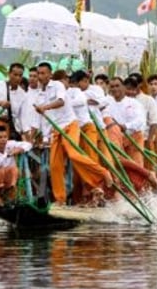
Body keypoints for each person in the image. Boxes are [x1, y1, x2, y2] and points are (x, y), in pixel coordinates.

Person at [35, 62, 112, 205]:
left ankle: (102, 173)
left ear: (50, 75)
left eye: (43, 73)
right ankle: (60, 200)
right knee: (55, 166)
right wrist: (45, 137)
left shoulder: (57, 86)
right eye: (38, 73)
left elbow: (61, 102)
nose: (40, 76)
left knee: (73, 154)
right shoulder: (39, 94)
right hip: (55, 130)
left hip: (70, 125)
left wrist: (44, 107)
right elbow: (44, 120)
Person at [0, 125, 32, 207]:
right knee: (0, 170)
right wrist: (7, 155)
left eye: (5, 137)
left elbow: (28, 145)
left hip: (8, 180)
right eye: (0, 137)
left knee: (14, 169)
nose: (3, 140)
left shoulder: (10, 144)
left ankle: (9, 193)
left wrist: (20, 149)